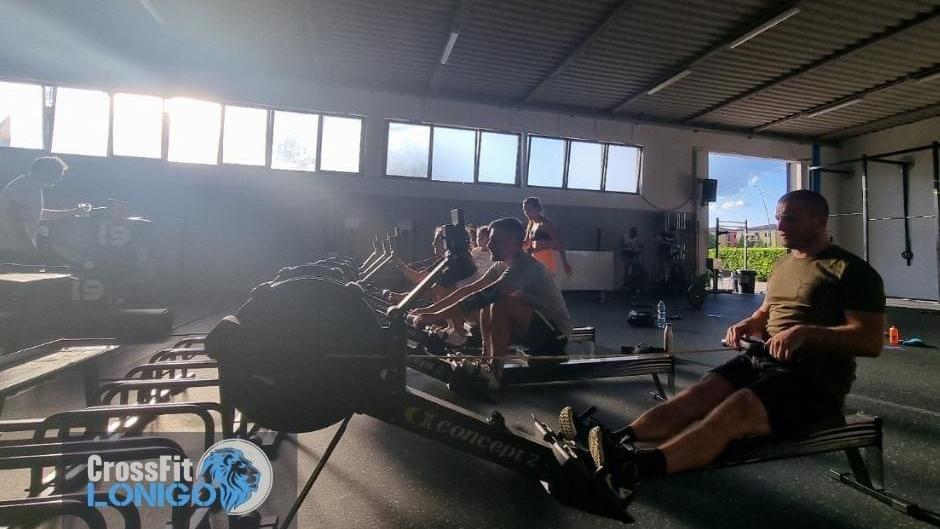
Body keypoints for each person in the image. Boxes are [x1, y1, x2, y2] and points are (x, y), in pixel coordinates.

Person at [562, 189, 885, 493]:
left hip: (814, 380)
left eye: (790, 218)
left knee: (738, 407)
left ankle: (634, 468)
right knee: (700, 393)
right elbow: (766, 311)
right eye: (778, 218)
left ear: (820, 221)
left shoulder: (851, 270)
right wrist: (749, 323)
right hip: (764, 359)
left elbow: (870, 340)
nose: (780, 226)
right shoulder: (782, 264)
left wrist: (805, 333)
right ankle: (615, 441)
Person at [411, 217, 573, 387]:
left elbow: (484, 296)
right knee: (489, 302)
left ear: (511, 243)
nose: (488, 245)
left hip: (555, 337)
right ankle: (486, 362)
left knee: (496, 302)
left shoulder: (526, 266)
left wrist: (435, 317)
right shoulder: (499, 266)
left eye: (494, 240)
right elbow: (469, 290)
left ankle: (494, 372)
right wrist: (429, 311)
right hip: (530, 329)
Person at [0, 156, 78, 263]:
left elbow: (36, 214)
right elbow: (15, 218)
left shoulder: (29, 185)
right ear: (46, 171)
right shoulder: (25, 187)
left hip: (15, 247)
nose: (59, 178)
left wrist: (71, 213)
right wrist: (29, 247)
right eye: (58, 173)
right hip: (11, 248)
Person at [522, 197, 572, 277]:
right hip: (535, 263)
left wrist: (565, 262)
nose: (527, 213)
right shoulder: (530, 224)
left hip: (546, 263)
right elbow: (526, 243)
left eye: (529, 209)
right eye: (525, 210)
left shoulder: (545, 224)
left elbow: (559, 242)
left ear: (537, 209)